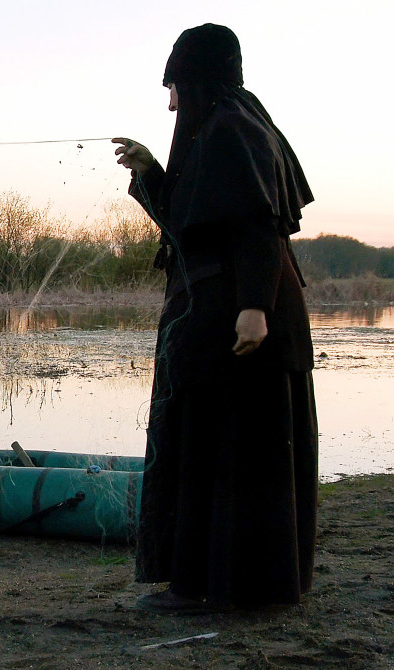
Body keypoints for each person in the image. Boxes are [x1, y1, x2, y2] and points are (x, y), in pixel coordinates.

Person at [112, 24, 317, 613]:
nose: (170, 101)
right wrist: (151, 170)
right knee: (228, 444)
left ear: (198, 79)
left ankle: (213, 586)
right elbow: (191, 222)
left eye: (174, 86)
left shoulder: (232, 129)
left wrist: (255, 309)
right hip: (224, 312)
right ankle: (228, 584)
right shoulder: (225, 128)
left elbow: (258, 225)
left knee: (226, 446)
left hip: (235, 318)